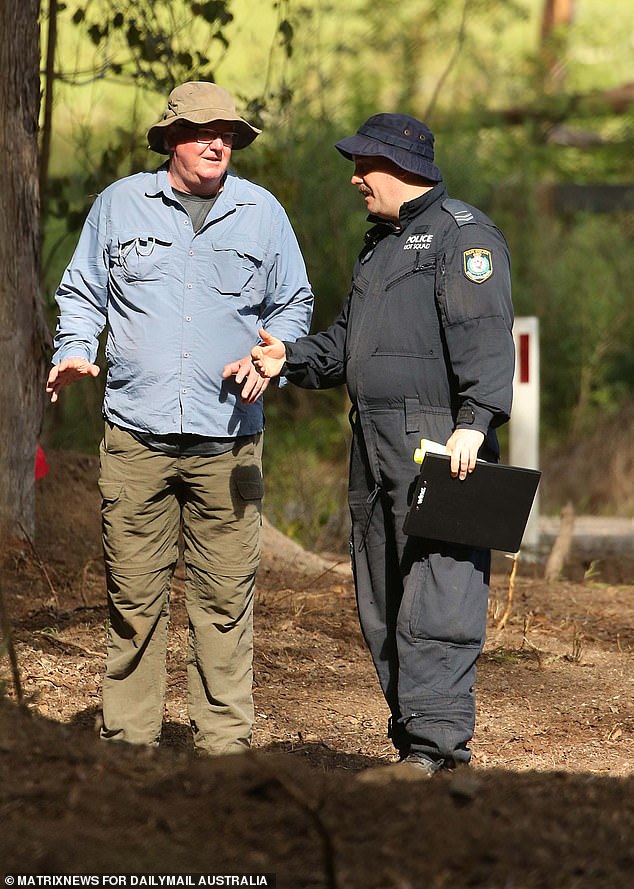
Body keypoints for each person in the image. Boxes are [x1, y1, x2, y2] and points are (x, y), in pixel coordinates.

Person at [226, 113, 514, 775]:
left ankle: (436, 752)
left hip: (443, 444)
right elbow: (346, 345)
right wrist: (288, 360)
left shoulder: (464, 240)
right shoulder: (381, 244)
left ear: (401, 167)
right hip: (374, 442)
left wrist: (476, 420)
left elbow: (487, 339)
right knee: (382, 600)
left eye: (364, 165)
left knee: (438, 596)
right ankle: (415, 741)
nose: (356, 178)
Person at [46, 81, 313, 755]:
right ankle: (128, 748)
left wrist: (273, 356)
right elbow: (83, 291)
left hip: (229, 443)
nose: (216, 141)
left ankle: (223, 754)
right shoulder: (119, 205)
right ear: (170, 140)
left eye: (226, 131)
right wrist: (76, 347)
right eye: (199, 131)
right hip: (136, 438)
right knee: (133, 601)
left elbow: (293, 304)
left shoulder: (262, 213)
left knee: (224, 602)